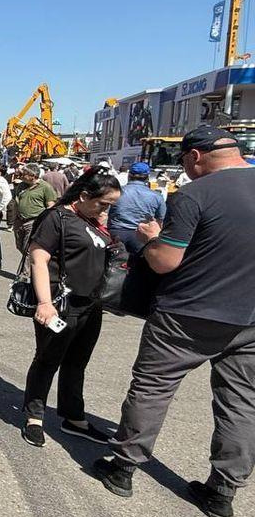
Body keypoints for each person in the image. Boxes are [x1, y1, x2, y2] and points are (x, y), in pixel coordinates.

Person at [93, 127, 255, 516]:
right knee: (241, 404)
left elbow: (166, 260)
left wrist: (152, 237)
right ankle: (222, 492)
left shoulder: (195, 195)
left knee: (152, 388)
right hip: (249, 319)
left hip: (186, 315)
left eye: (184, 160)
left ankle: (124, 467)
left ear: (196, 156)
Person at [22, 166, 122, 448]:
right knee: (47, 359)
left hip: (90, 305)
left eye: (111, 206)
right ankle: (34, 417)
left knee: (77, 362)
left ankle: (73, 417)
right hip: (60, 303)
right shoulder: (57, 218)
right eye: (103, 203)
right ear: (85, 195)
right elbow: (38, 260)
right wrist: (44, 303)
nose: (106, 210)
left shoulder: (92, 221)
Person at [106, 162, 165, 255]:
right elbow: (160, 220)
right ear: (147, 177)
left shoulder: (117, 192)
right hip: (141, 235)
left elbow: (104, 212)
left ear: (129, 175)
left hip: (116, 233)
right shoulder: (157, 196)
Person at [12, 164, 57, 253]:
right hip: (19, 221)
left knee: (28, 249)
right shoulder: (21, 185)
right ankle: (31, 265)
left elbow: (50, 207)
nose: (21, 176)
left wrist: (45, 224)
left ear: (32, 176)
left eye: (23, 174)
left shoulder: (45, 187)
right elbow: (16, 201)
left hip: (33, 222)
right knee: (20, 246)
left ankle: (29, 266)